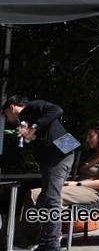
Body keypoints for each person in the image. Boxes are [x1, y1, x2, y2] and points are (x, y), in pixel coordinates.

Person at [17, 123, 99, 246]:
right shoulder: (90, 155)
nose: (87, 139)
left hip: (92, 192)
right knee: (33, 193)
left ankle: (51, 236)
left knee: (53, 196)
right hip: (75, 188)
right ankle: (25, 240)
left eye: (91, 136)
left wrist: (78, 184)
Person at [3, 95, 75, 251]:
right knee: (45, 199)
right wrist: (27, 136)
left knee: (51, 199)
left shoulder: (32, 106)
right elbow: (38, 137)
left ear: (12, 107)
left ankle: (51, 244)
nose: (8, 120)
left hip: (60, 154)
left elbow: (57, 110)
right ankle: (43, 239)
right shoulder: (24, 120)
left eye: (6, 115)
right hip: (56, 155)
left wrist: (33, 128)